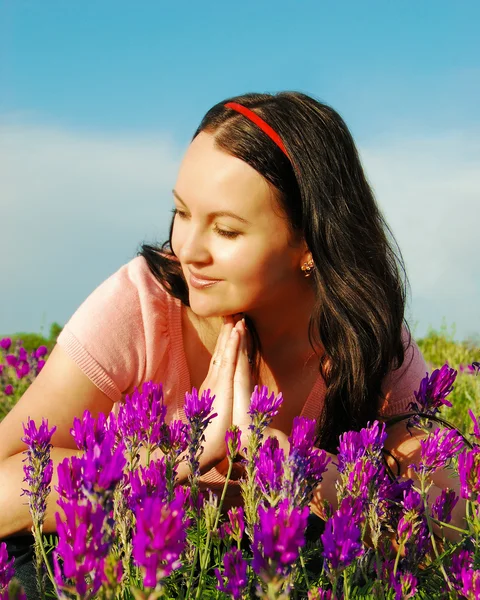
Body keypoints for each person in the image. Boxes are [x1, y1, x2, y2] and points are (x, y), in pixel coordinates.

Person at [0, 92, 464, 595]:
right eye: (181, 213)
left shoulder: (363, 332)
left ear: (309, 243)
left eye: (225, 229)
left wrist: (284, 462)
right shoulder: (140, 304)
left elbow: (450, 510)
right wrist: (184, 457)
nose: (188, 249)